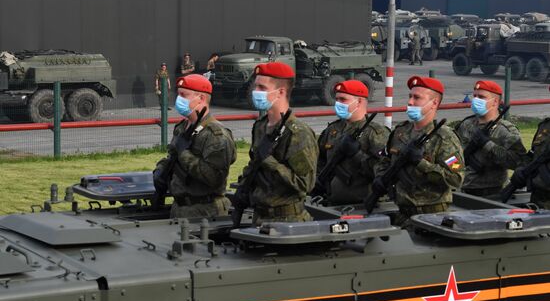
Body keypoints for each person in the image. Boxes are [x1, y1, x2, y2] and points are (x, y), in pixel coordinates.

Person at [233, 62, 318, 224]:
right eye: (256, 86)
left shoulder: (298, 133)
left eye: (262, 88)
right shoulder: (260, 126)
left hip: (288, 220)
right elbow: (255, 163)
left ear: (280, 92)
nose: (255, 92)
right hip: (260, 216)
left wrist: (271, 163)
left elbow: (305, 183)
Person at [374, 76, 464, 226]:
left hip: (432, 215)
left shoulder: (444, 138)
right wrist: (381, 177)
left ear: (434, 103)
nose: (410, 102)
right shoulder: (400, 133)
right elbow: (385, 160)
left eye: (417, 98)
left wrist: (421, 163)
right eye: (410, 97)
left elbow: (455, 179)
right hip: (402, 212)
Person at [153, 74, 236, 218]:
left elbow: (214, 178)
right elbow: (172, 158)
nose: (179, 100)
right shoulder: (182, 128)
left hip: (206, 211)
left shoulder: (216, 135)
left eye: (184, 95)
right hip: (179, 208)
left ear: (201, 98)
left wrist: (184, 154)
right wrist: (161, 171)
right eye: (178, 95)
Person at [316, 80, 389, 204]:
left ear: (359, 101)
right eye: (337, 99)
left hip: (362, 204)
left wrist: (357, 155)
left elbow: (383, 171)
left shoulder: (375, 133)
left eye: (343, 100)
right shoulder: (332, 130)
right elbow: (320, 160)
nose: (338, 103)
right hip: (332, 202)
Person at [454, 81, 526, 197]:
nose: (476, 100)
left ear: (495, 102)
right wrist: (456, 168)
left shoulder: (506, 131)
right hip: (463, 190)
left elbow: (518, 162)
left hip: (492, 193)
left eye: (481, 97)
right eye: (475, 96)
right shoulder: (466, 125)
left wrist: (487, 144)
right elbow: (451, 156)